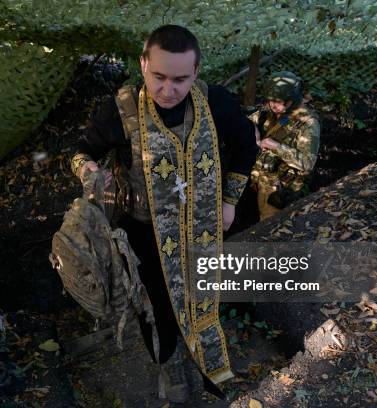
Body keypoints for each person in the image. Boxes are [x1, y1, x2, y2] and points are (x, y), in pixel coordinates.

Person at [70, 25, 258, 403]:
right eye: (158, 77)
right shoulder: (120, 111)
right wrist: (87, 171)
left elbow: (245, 147)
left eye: (180, 79)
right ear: (143, 65)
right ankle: (168, 360)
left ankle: (206, 359)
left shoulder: (213, 102)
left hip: (201, 226)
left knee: (201, 292)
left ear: (196, 72)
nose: (168, 90)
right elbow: (80, 152)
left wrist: (229, 202)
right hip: (143, 231)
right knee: (154, 303)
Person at [250, 71, 320, 220]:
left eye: (279, 101)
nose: (273, 105)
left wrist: (274, 145)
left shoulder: (308, 124)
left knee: (269, 227)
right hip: (260, 180)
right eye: (271, 100)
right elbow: (249, 118)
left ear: (291, 100)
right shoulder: (272, 109)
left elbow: (307, 163)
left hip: (280, 188)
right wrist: (254, 130)